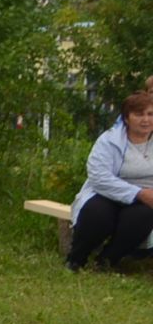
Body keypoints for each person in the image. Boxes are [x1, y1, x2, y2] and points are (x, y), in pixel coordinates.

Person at [65, 89, 153, 271]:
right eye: (139, 114)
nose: (146, 120)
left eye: (150, 114)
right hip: (108, 192)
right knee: (97, 214)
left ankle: (106, 261)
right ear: (127, 118)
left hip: (146, 199)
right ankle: (76, 259)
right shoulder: (109, 140)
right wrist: (138, 193)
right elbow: (98, 176)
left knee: (142, 217)